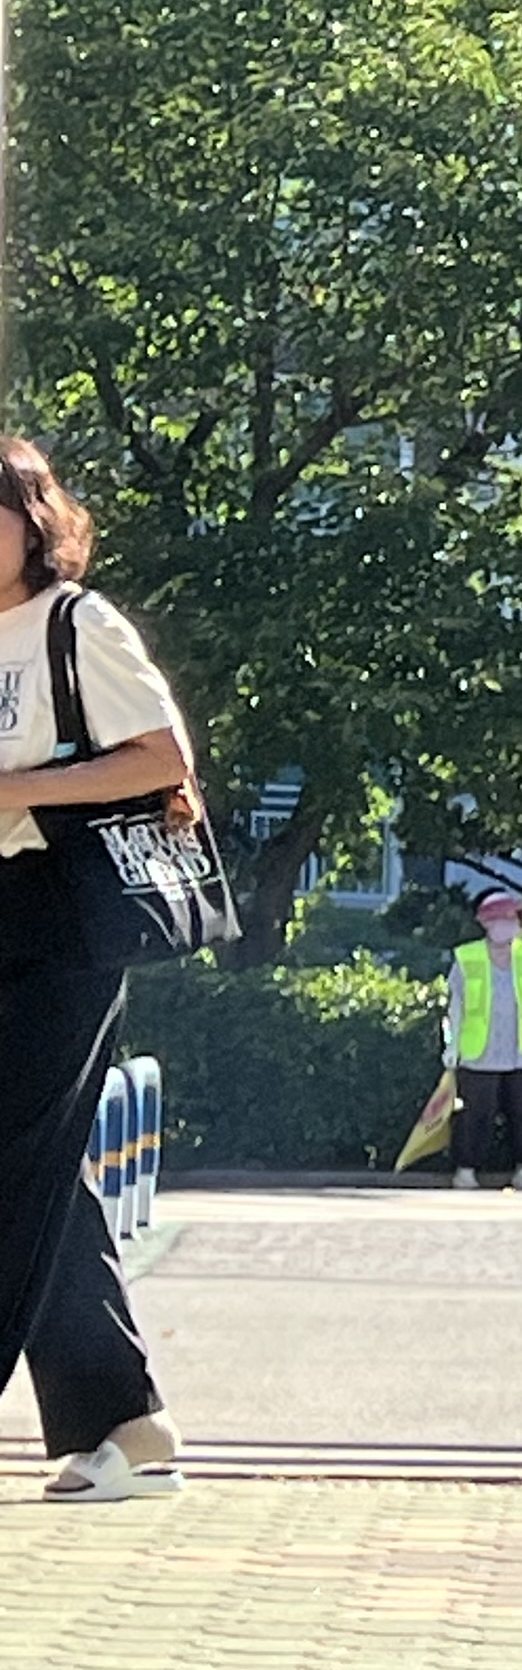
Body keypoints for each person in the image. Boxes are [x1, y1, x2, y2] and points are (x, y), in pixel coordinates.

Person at [0, 437, 191, 1503]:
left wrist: (18, 788)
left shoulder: (78, 624)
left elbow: (164, 757)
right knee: (38, 1173)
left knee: (13, 1156)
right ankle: (128, 1421)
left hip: (59, 915)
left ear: (34, 521)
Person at [443, 888, 522, 1194]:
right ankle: (466, 1170)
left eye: (513, 919)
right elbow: (454, 1007)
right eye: (502, 919)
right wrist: (451, 1043)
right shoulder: (467, 957)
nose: (509, 925)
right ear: (486, 923)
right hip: (478, 1052)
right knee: (475, 1114)